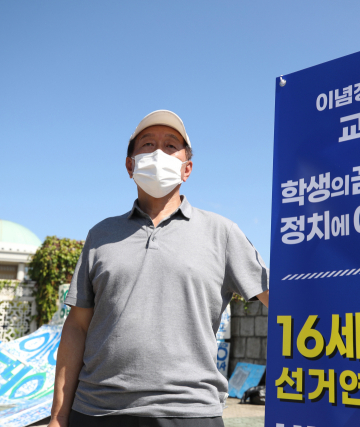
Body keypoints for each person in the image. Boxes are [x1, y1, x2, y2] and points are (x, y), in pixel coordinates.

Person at [49, 110, 270, 427]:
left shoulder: (222, 233)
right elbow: (77, 326)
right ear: (130, 165)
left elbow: (281, 300)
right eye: (148, 144)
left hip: (190, 413)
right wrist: (59, 415)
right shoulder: (100, 236)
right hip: (97, 411)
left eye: (170, 146)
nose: (157, 153)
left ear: (187, 168)